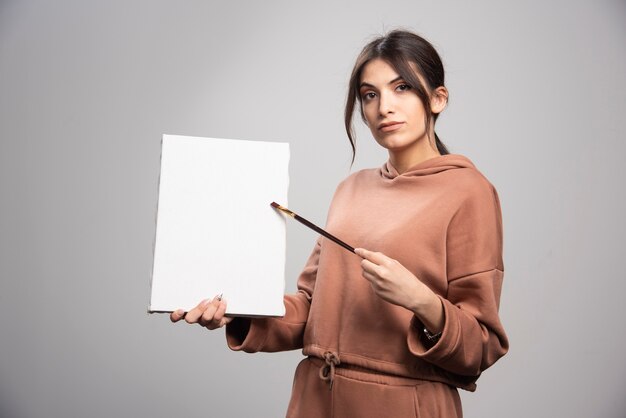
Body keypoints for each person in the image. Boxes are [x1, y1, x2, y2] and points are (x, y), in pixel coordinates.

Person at [171, 29, 509, 418]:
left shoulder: (469, 191)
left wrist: (421, 300)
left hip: (402, 406)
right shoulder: (351, 188)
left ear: (437, 98)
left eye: (402, 88)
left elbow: (482, 345)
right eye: (370, 94)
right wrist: (240, 310)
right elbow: (311, 309)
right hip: (317, 400)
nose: (384, 107)